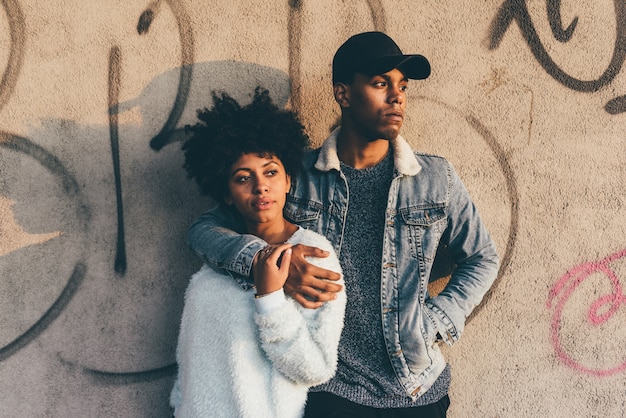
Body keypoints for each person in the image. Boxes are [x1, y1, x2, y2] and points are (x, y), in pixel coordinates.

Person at [187, 31, 500, 417]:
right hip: (330, 390)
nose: (397, 96)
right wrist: (264, 262)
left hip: (416, 389)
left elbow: (482, 257)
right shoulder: (297, 174)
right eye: (381, 83)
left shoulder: (435, 178)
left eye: (402, 86)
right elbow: (204, 230)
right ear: (344, 93)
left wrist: (434, 322)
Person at [169, 88, 346, 417]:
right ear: (226, 195)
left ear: (289, 181)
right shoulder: (218, 259)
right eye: (243, 178)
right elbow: (191, 362)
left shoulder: (312, 255)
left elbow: (316, 368)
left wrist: (270, 300)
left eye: (270, 172)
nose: (260, 186)